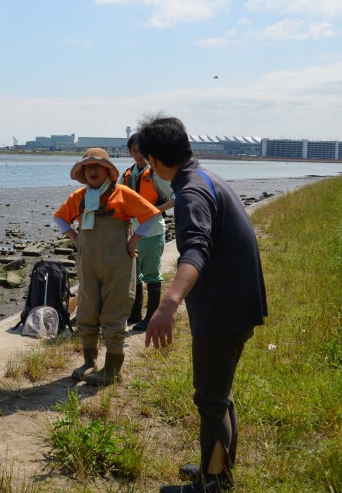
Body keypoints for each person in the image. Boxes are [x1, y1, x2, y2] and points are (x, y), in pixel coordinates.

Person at [137, 116, 267, 492]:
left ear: (155, 161)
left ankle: (212, 485)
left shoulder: (191, 192)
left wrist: (168, 304)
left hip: (223, 310)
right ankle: (219, 472)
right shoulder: (206, 177)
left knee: (210, 399)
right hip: (239, 303)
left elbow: (196, 251)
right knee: (220, 395)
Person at [54, 148, 161, 386]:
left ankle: (112, 369)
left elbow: (151, 216)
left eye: (97, 167)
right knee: (87, 311)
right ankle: (89, 362)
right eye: (87, 168)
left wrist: (134, 240)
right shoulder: (80, 197)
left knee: (114, 313)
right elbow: (59, 217)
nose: (92, 170)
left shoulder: (121, 192)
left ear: (107, 171)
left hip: (118, 263)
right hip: (88, 263)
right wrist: (74, 236)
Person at [120, 132, 175, 331]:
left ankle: (151, 316)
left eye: (142, 150)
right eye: (135, 151)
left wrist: (155, 210)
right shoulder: (127, 175)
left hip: (152, 232)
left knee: (151, 274)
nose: (139, 154)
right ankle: (134, 314)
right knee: (134, 274)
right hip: (131, 233)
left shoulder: (155, 174)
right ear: (130, 152)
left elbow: (176, 196)